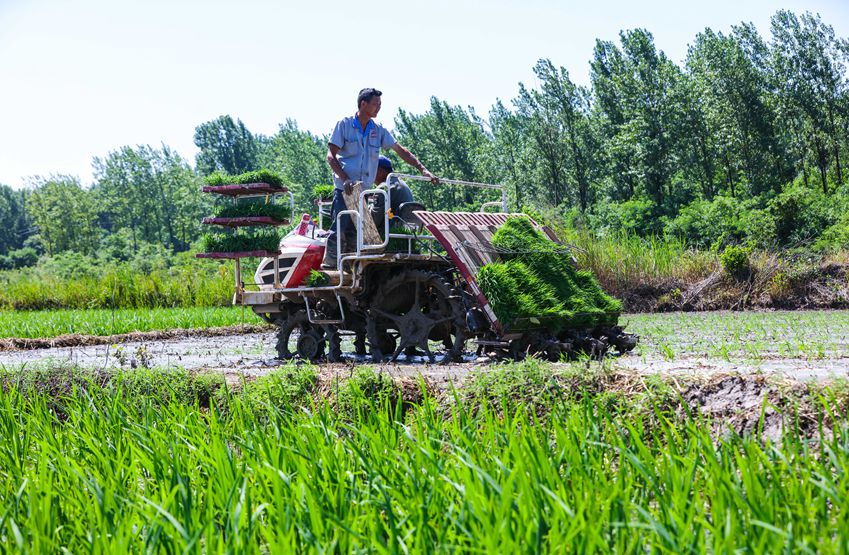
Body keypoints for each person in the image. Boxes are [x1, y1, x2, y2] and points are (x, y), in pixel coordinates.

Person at [322, 88, 436, 268]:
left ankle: (351, 267)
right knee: (341, 228)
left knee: (358, 232)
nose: (378, 108)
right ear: (363, 104)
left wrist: (422, 169)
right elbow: (331, 156)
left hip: (364, 191)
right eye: (376, 104)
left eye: (380, 105)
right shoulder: (344, 125)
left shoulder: (378, 130)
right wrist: (345, 179)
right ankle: (330, 267)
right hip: (347, 189)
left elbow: (401, 151)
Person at [371, 155, 414, 229]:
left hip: (387, 236)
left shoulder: (384, 187)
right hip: (405, 234)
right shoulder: (404, 185)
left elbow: (373, 220)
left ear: (380, 171)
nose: (369, 174)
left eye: (371, 170)